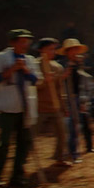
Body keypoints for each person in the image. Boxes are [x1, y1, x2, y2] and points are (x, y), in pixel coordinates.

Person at [0, 29, 42, 188]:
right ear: (13, 42)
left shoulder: (30, 60)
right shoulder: (0, 57)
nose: (25, 44)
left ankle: (17, 175)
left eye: (27, 41)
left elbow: (37, 81)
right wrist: (12, 69)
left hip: (25, 106)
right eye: (21, 41)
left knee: (23, 142)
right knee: (4, 143)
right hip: (7, 106)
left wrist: (24, 69)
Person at [34, 37, 69, 166]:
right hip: (39, 107)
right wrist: (44, 81)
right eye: (50, 49)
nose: (53, 52)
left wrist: (63, 106)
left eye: (54, 49)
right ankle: (22, 160)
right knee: (31, 136)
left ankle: (59, 157)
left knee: (62, 133)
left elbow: (60, 89)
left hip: (55, 106)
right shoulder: (34, 65)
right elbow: (33, 86)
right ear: (41, 50)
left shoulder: (57, 67)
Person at [57, 38, 89, 163]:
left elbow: (80, 83)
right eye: (73, 49)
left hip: (75, 96)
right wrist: (65, 74)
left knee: (75, 125)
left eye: (77, 49)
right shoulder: (61, 64)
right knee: (68, 126)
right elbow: (58, 80)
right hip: (65, 97)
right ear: (68, 51)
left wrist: (82, 100)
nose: (76, 52)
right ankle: (67, 152)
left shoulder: (77, 64)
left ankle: (73, 152)